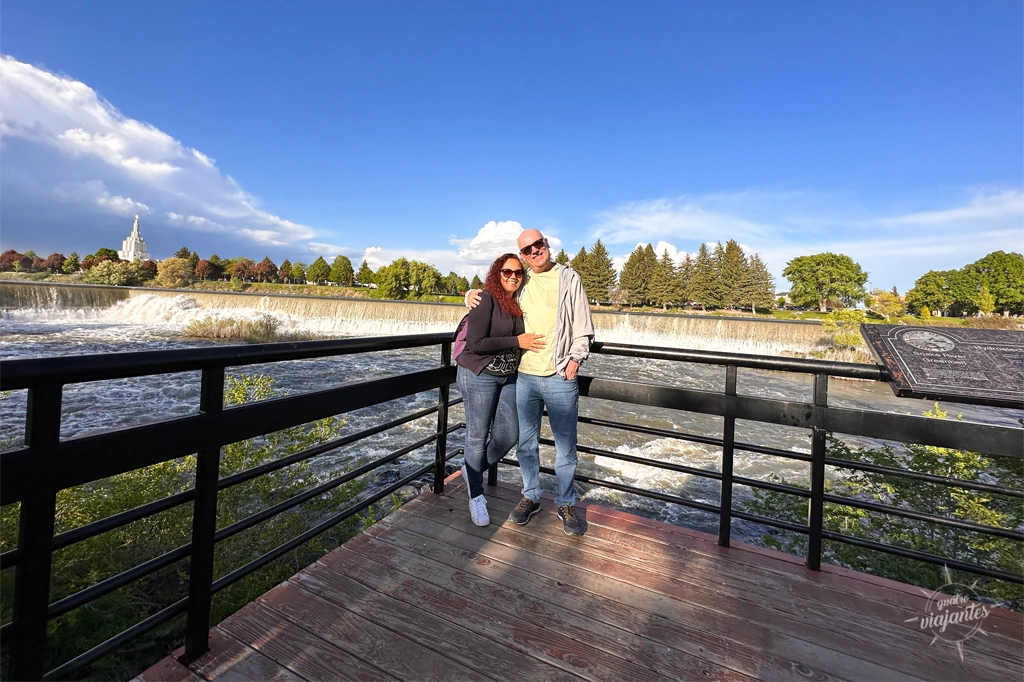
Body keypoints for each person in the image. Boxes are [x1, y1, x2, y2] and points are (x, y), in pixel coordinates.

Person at [467, 229, 594, 535]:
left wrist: (575, 359)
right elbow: (494, 298)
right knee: (525, 444)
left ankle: (565, 502)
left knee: (565, 448)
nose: (535, 251)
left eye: (538, 244)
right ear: (522, 256)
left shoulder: (568, 279)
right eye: (528, 249)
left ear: (546, 245)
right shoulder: (521, 280)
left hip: (560, 375)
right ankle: (531, 496)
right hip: (524, 376)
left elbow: (584, 326)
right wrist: (470, 296)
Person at [456, 253, 546, 526]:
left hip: (508, 376)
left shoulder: (519, 301)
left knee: (509, 435)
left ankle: (471, 470)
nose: (513, 277)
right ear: (497, 273)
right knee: (476, 435)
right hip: (480, 373)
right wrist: (518, 340)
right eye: (507, 272)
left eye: (518, 273)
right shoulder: (485, 299)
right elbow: (476, 343)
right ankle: (476, 496)